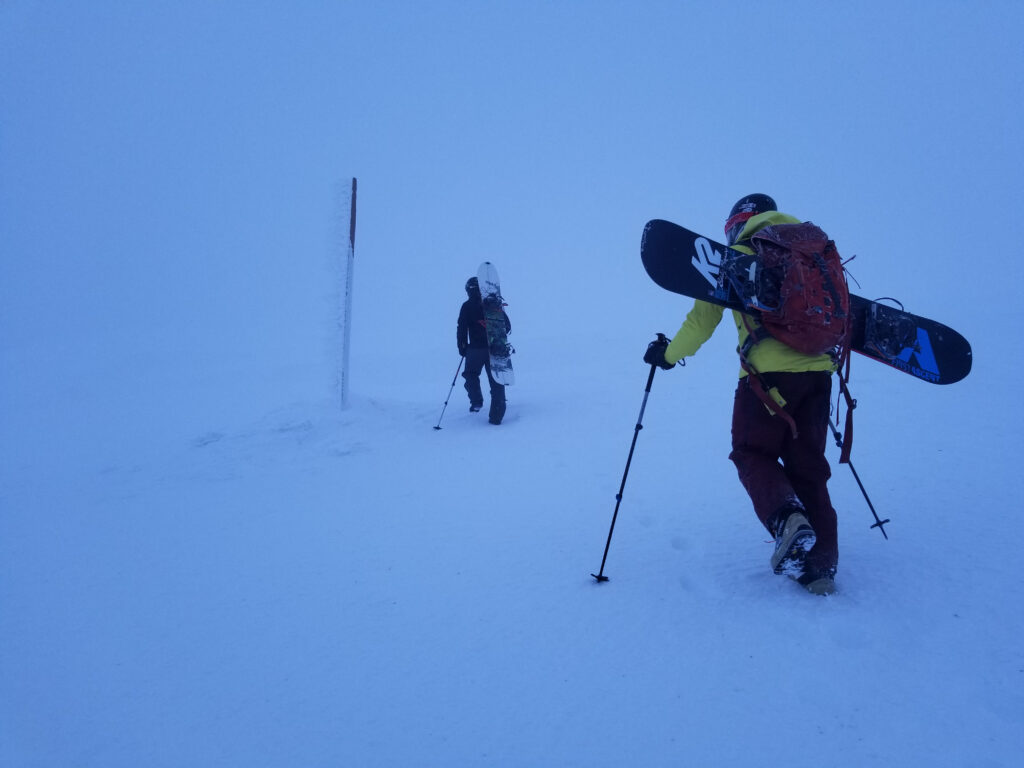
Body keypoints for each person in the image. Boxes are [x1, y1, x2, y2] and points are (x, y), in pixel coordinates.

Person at [644, 194, 840, 595]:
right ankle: (820, 569)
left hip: (765, 379)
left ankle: (787, 521)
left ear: (738, 222)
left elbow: (701, 321)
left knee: (753, 453)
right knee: (809, 468)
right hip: (820, 375)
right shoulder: (815, 252)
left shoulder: (733, 256)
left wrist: (666, 355)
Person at [457, 276, 509, 425]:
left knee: (470, 374)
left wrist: (462, 346)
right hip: (495, 349)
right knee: (496, 381)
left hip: (475, 349)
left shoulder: (467, 306)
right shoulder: (493, 305)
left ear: (469, 290)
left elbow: (461, 327)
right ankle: (496, 416)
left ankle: (476, 401)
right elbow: (508, 327)